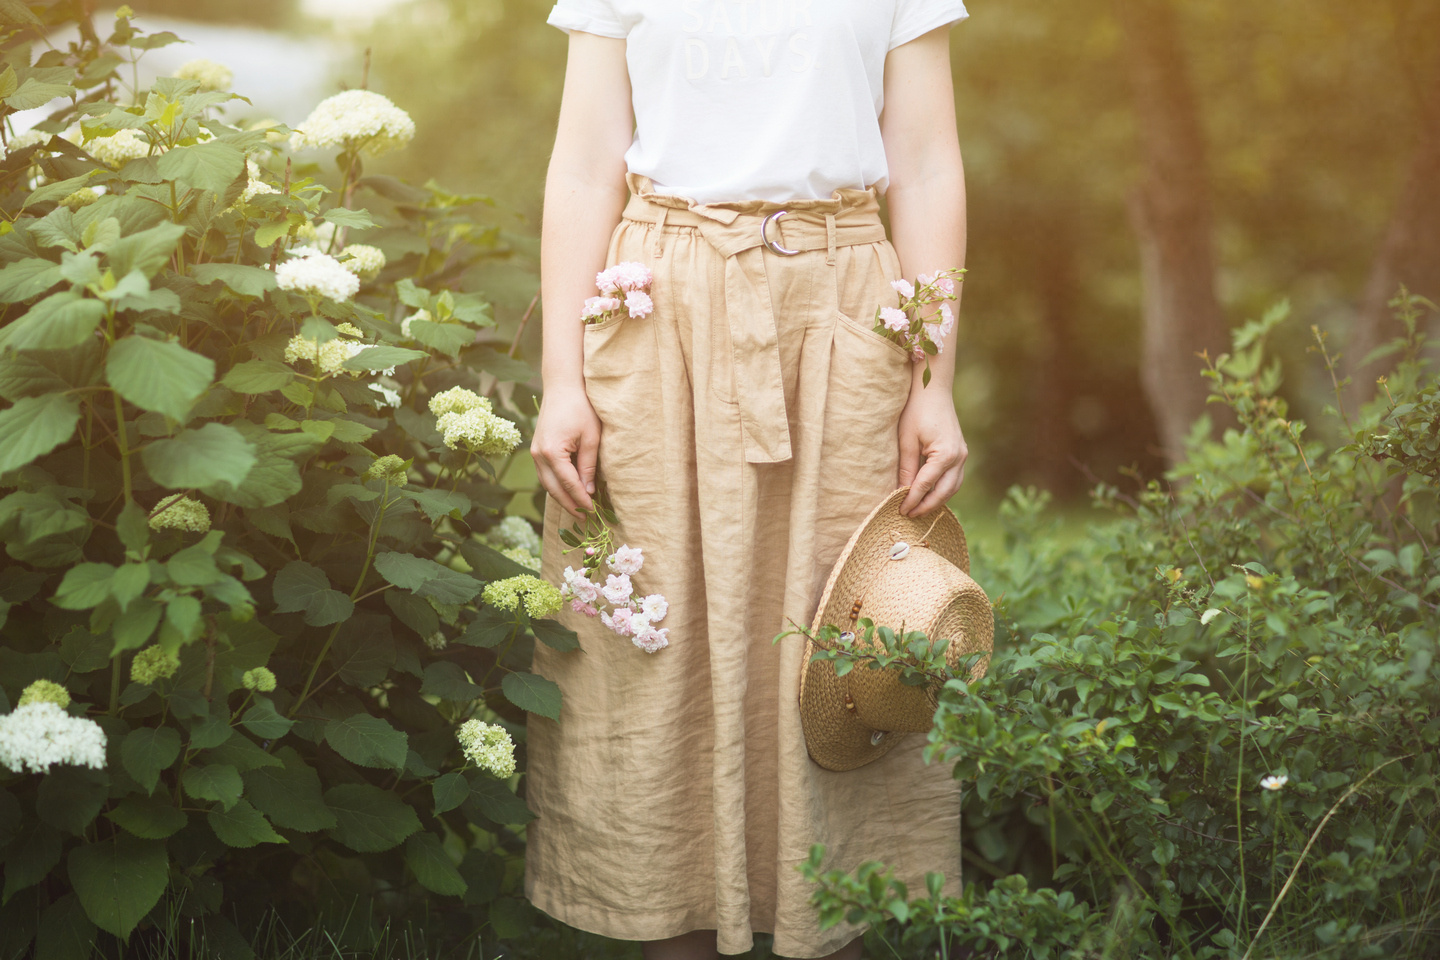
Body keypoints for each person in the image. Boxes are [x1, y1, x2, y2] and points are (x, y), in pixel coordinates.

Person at [526, 3, 971, 958]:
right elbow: (582, 165)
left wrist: (935, 381)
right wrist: (563, 379)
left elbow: (928, 165)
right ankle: (666, 925)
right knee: (657, 643)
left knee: (846, 629)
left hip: (847, 306)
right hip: (657, 313)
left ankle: (834, 925)